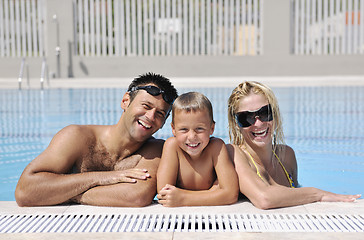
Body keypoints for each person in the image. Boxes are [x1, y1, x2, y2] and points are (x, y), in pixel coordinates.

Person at [15, 72, 178, 207]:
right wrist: (101, 178)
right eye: (146, 106)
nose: (150, 117)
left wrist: (62, 194)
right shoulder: (76, 137)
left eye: (160, 114)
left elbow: (136, 196)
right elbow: (25, 192)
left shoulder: (155, 151)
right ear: (125, 101)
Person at [226, 81, 361, 210]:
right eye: (246, 118)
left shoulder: (286, 155)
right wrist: (318, 194)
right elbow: (264, 198)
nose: (258, 124)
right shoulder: (235, 154)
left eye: (264, 113)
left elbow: (295, 194)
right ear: (236, 123)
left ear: (275, 112)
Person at [156, 92, 239, 207]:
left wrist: (183, 198)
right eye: (184, 129)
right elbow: (164, 193)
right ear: (173, 129)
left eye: (199, 129)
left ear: (212, 128)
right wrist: (213, 193)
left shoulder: (216, 147)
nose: (191, 137)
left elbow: (231, 194)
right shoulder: (172, 147)